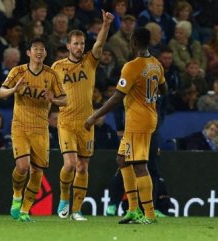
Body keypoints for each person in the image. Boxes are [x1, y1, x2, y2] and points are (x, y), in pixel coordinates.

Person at [85, 27, 168, 224]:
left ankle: (148, 214)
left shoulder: (131, 66)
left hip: (138, 121)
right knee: (122, 160)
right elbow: (164, 89)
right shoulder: (156, 64)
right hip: (146, 117)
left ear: (133, 42)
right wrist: (149, 96)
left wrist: (93, 116)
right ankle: (133, 209)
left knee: (140, 166)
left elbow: (116, 97)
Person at [51, 10, 114, 221]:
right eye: (75, 44)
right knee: (69, 164)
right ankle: (63, 199)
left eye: (82, 43)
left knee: (83, 166)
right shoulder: (57, 68)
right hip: (66, 122)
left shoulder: (90, 61)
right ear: (68, 46)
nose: (79, 47)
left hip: (87, 123)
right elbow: (51, 94)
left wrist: (105, 25)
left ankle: (76, 210)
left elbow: (100, 45)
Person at [0, 37, 67, 222]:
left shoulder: (51, 75)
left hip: (41, 128)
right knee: (23, 166)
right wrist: (14, 90)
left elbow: (65, 100)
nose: (38, 52)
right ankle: (17, 195)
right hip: (20, 125)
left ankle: (25, 211)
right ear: (28, 53)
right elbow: (1, 92)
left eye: (42, 49)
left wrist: (53, 99)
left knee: (37, 171)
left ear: (45, 53)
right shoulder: (18, 71)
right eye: (35, 49)